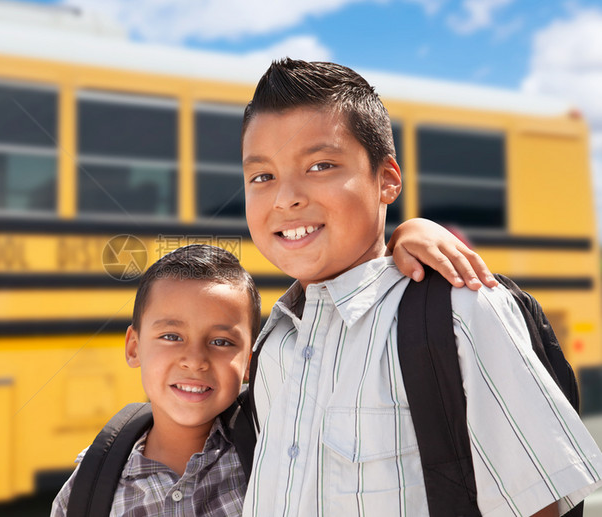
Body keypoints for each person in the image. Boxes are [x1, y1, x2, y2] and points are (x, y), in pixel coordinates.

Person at [241, 58, 602, 517]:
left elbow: (536, 508)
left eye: (321, 165)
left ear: (387, 180)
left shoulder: (459, 313)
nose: (284, 196)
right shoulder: (274, 347)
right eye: (261, 176)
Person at [51, 224, 496, 516]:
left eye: (222, 342)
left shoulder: (278, 448)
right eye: (170, 336)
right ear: (133, 346)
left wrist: (406, 233)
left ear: (250, 362)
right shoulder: (90, 487)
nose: (195, 359)